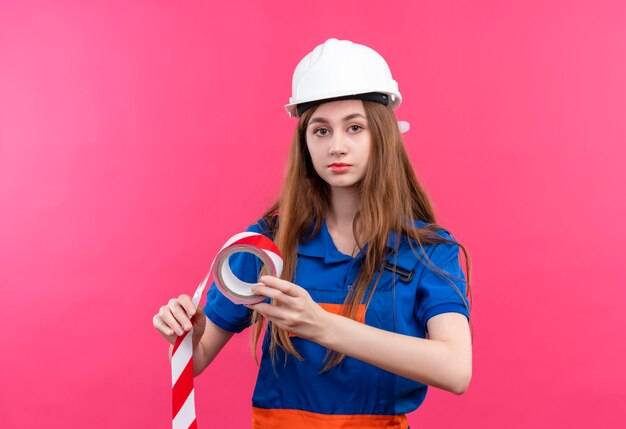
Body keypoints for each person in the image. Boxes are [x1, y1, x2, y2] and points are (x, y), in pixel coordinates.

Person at [153, 38, 473, 429]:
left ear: (384, 136)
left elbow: (457, 370)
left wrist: (320, 325)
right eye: (321, 131)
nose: (337, 146)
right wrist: (187, 335)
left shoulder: (426, 251)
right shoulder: (266, 244)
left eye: (354, 127)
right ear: (305, 143)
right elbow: (197, 359)